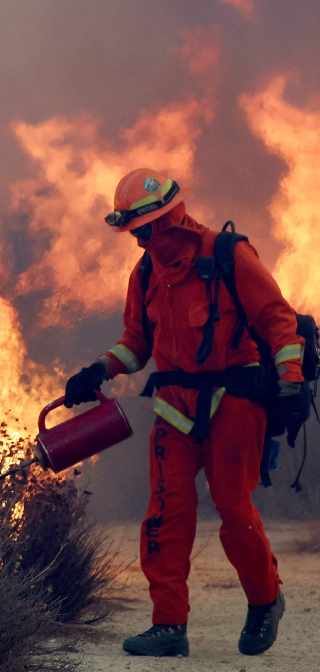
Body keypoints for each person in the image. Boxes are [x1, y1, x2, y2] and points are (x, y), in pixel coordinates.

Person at [63, 168, 309, 657]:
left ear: (170, 219)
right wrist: (99, 369)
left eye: (145, 229)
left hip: (235, 398)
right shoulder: (147, 273)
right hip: (175, 405)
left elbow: (277, 319)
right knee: (165, 515)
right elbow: (137, 343)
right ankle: (168, 626)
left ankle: (265, 601)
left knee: (233, 508)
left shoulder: (229, 255)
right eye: (133, 233)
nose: (138, 241)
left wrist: (292, 381)